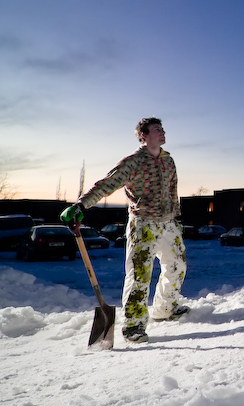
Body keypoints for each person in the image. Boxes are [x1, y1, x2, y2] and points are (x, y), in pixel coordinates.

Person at [60, 117, 188, 343]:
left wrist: (176, 217)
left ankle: (166, 308)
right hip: (144, 224)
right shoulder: (133, 162)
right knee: (140, 274)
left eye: (163, 129)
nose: (162, 132)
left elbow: (173, 190)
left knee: (177, 266)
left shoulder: (169, 161)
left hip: (169, 223)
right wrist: (81, 205)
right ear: (144, 136)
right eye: (157, 130)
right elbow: (107, 183)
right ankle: (133, 326)